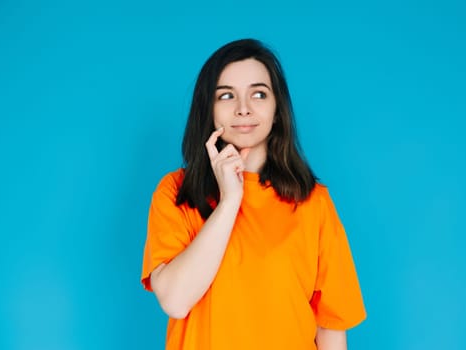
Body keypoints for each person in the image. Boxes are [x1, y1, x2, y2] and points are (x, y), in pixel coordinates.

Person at [141, 38, 366, 350]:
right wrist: (230, 201)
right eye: (226, 96)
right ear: (209, 109)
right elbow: (176, 301)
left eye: (259, 94)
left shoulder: (312, 201)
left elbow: (330, 328)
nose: (243, 108)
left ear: (277, 110)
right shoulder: (176, 192)